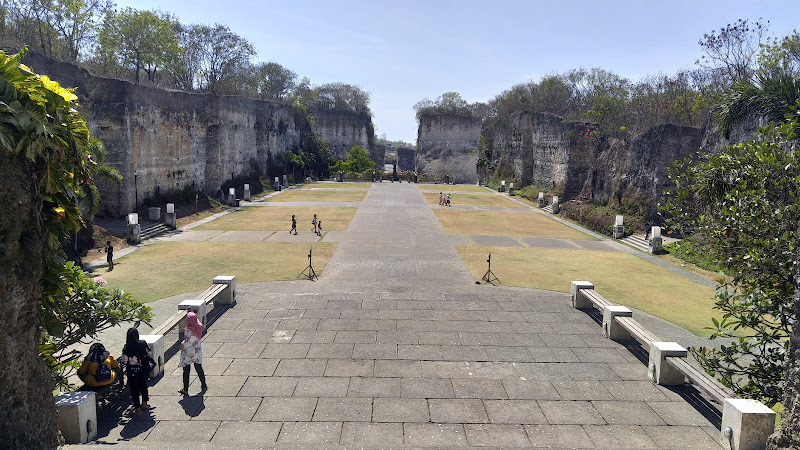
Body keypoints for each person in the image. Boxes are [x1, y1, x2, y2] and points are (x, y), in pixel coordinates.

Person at [120, 328, 150, 415]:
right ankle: (144, 403)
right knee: (143, 386)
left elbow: (125, 360)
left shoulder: (126, 347)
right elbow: (149, 353)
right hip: (143, 369)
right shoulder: (143, 343)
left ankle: (137, 409)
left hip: (132, 372)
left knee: (134, 389)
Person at [178, 311, 207, 395]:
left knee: (186, 370)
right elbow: (196, 320)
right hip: (197, 351)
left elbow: (187, 343)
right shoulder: (199, 326)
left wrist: (182, 344)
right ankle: (204, 385)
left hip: (189, 353)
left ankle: (185, 389)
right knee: (199, 368)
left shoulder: (188, 330)